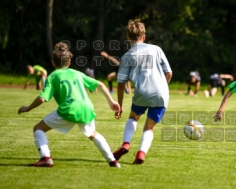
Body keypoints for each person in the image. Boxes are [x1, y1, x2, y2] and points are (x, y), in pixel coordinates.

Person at [18, 42, 121, 168]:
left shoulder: (53, 76)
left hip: (68, 109)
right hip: (86, 108)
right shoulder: (76, 73)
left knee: (38, 129)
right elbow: (100, 84)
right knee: (93, 134)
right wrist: (112, 102)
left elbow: (42, 99)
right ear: (69, 62)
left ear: (52, 62)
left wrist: (27, 108)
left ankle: (45, 158)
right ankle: (113, 161)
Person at [112, 19, 173, 164]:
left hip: (141, 92)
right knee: (149, 127)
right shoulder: (156, 49)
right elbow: (169, 73)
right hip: (161, 93)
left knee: (133, 118)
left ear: (128, 38)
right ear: (144, 36)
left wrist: (119, 105)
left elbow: (121, 84)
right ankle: (141, 153)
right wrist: (162, 87)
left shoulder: (127, 56)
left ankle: (126, 143)